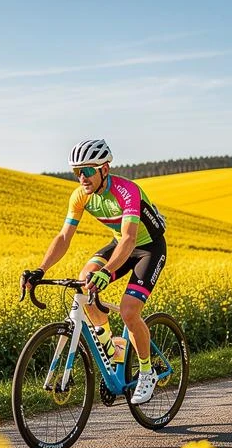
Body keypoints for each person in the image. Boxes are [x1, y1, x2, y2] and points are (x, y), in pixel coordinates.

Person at [21, 139, 168, 404]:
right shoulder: (80, 196)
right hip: (119, 244)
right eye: (77, 172)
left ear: (105, 169)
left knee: (129, 311)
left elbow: (129, 239)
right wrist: (40, 270)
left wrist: (108, 272)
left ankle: (147, 373)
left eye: (87, 170)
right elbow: (64, 237)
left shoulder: (127, 191)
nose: (82, 177)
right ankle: (111, 346)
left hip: (148, 248)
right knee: (83, 282)